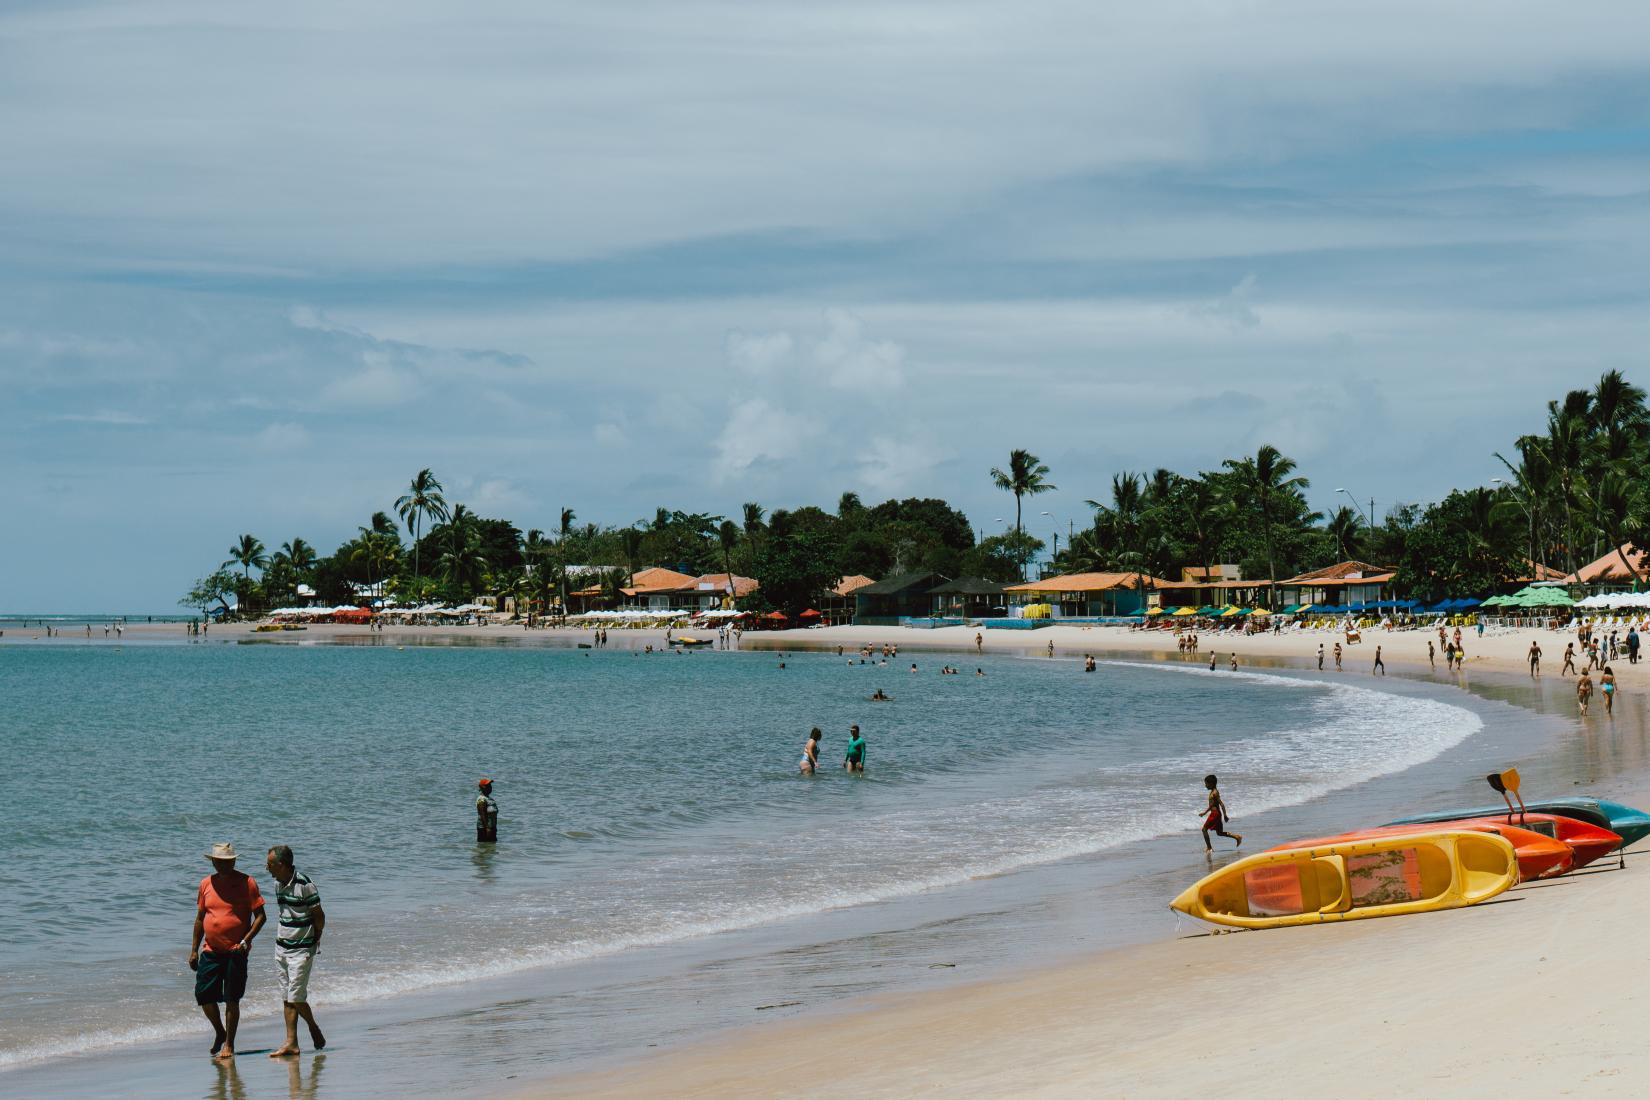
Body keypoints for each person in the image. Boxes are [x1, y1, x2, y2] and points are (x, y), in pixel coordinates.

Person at [191, 843, 266, 1061]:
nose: (224, 865)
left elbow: (261, 916)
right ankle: (220, 1032)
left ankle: (229, 1044)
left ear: (234, 861)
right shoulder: (206, 883)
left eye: (228, 861)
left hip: (236, 951)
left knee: (232, 999)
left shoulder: (247, 882)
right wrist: (194, 950)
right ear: (213, 862)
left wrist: (245, 941)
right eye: (220, 861)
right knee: (203, 995)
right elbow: (199, 918)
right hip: (210, 950)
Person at [265, 845, 326, 1058]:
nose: (266, 868)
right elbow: (285, 913)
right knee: (286, 996)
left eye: (270, 864)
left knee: (296, 997)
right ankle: (291, 1043)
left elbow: (319, 915)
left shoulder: (305, 884)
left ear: (281, 865)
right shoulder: (277, 884)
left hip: (302, 949)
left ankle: (313, 1027)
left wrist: (314, 940)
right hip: (281, 946)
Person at [1200, 774, 1242, 850]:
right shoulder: (1212, 792)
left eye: (1206, 783)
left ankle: (1209, 848)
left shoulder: (1215, 793)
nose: (1205, 785)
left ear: (1211, 784)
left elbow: (1221, 804)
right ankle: (1237, 837)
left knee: (1204, 829)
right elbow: (1212, 805)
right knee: (1219, 833)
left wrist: (1225, 815)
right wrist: (1205, 813)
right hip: (1217, 814)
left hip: (1215, 814)